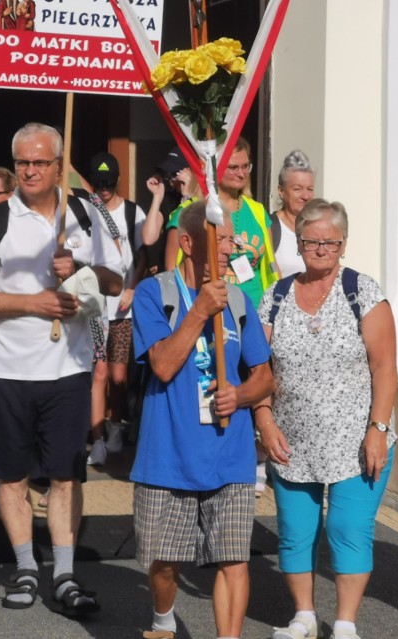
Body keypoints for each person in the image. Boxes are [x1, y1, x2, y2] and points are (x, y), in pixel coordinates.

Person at [0, 122, 123, 613]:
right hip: (5, 368)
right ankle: (26, 567)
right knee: (11, 476)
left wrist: (83, 270)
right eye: (22, 162)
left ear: (58, 165)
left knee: (67, 475)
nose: (29, 170)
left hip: (67, 369)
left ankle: (65, 575)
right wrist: (34, 303)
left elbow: (116, 281)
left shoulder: (87, 215)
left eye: (39, 162)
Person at [131, 200, 275, 639]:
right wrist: (198, 312)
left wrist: (241, 394)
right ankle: (162, 621)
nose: (234, 247)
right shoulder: (154, 293)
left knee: (234, 561)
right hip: (168, 454)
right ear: (190, 242)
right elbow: (162, 365)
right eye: (225, 238)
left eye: (232, 237)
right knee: (164, 562)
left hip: (229, 455)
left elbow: (266, 377)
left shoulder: (238, 300)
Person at [255, 199, 397, 639]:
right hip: (292, 438)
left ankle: (345, 623)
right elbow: (260, 370)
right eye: (310, 241)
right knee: (295, 532)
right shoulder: (275, 296)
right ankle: (303, 616)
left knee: (347, 528)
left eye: (328, 242)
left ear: (343, 244)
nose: (319, 249)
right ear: (297, 244)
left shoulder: (363, 291)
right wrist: (264, 418)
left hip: (357, 439)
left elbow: (385, 368)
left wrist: (377, 430)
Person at [86, 151, 147, 461]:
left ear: (118, 180)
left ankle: (115, 424)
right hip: (94, 306)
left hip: (123, 306)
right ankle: (96, 438)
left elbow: (143, 253)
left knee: (119, 375)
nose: (104, 189)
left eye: (109, 183)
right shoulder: (84, 210)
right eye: (99, 184)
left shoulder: (133, 212)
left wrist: (133, 287)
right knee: (98, 372)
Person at [218, 136, 279, 308]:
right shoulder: (196, 210)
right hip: (215, 308)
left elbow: (271, 263)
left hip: (256, 308)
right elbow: (174, 268)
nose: (241, 173)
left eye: (245, 166)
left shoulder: (257, 211)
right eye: (233, 167)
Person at [148, 146, 202, 273]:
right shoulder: (168, 199)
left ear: (190, 172)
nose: (170, 180)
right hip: (171, 276)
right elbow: (148, 238)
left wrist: (189, 195)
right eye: (167, 174)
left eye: (174, 174)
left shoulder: (204, 199)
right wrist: (157, 197)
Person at [270, 150, 315, 277]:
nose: (305, 196)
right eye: (297, 189)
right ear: (281, 191)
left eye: (310, 189)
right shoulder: (270, 227)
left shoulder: (317, 229)